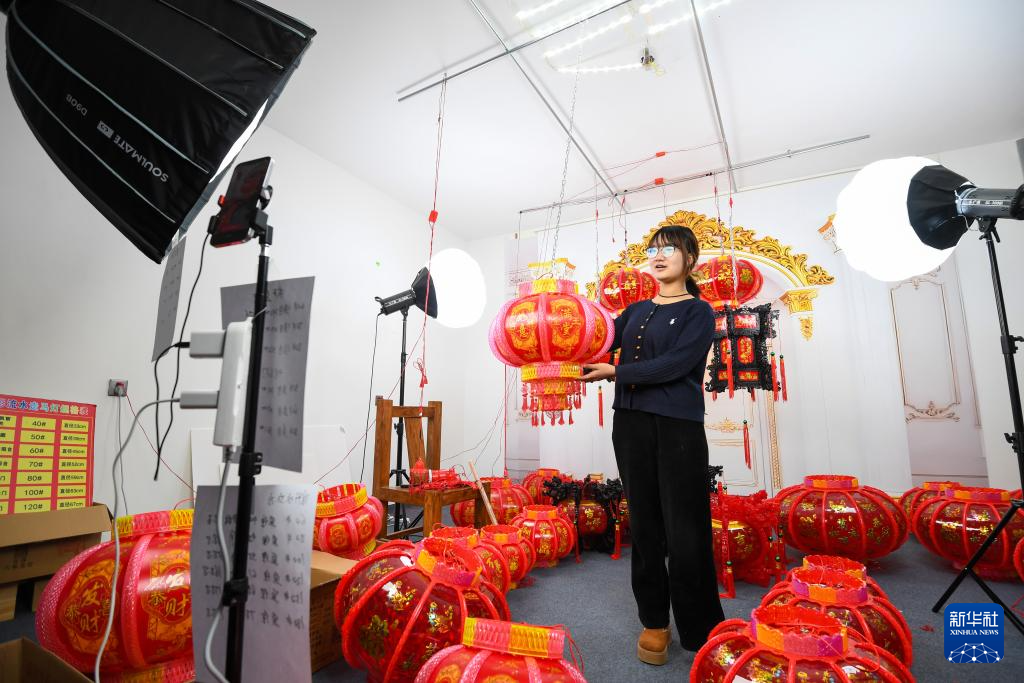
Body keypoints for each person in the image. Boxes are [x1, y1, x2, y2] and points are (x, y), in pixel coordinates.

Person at [582, 224, 724, 665]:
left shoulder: (699, 311)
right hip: (630, 424)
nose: (659, 256)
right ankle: (654, 621)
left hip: (678, 426)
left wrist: (617, 372)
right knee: (643, 525)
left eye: (669, 249)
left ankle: (700, 628)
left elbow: (675, 365)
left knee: (686, 528)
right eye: (653, 249)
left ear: (690, 259)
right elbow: (597, 342)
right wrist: (560, 334)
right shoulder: (635, 311)